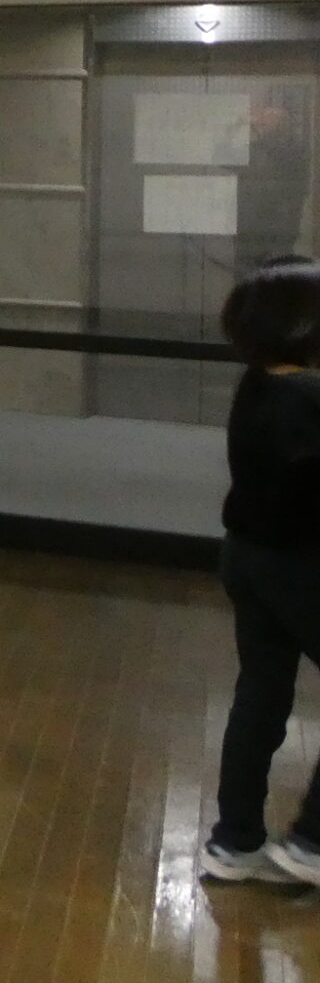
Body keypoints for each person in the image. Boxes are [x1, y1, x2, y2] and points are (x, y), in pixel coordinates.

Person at [201, 255, 320, 885]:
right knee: (262, 694)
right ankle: (311, 844)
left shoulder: (258, 384)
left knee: (262, 694)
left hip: (247, 557)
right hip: (298, 566)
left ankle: (235, 843)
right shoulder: (307, 397)